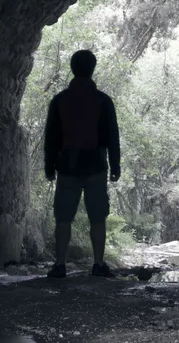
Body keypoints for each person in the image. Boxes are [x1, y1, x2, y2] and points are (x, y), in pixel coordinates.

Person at [43, 49, 120, 278]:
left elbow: (52, 137)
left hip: (67, 167)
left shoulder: (59, 100)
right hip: (96, 166)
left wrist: (49, 166)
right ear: (92, 69)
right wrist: (115, 166)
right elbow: (112, 136)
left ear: (72, 68)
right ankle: (98, 264)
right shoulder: (103, 101)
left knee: (63, 218)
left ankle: (59, 265)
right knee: (97, 217)